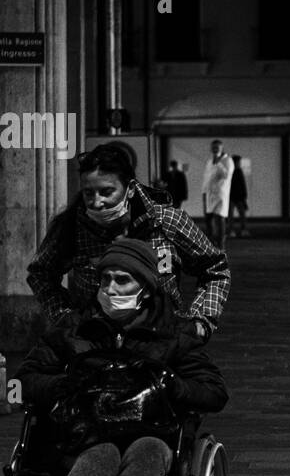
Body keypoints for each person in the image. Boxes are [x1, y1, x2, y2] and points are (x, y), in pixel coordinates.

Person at [11, 239, 228, 476]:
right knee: (103, 453)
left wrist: (174, 387)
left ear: (144, 287)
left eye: (122, 281)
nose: (111, 289)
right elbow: (23, 382)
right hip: (85, 437)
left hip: (150, 436)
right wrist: (66, 383)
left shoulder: (172, 336)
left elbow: (214, 392)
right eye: (105, 279)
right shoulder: (75, 329)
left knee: (146, 451)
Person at [27, 141, 230, 343]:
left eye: (107, 192)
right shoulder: (72, 227)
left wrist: (200, 320)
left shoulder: (166, 222)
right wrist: (65, 316)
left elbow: (215, 267)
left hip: (163, 341)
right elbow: (40, 273)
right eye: (89, 193)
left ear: (130, 189)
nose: (97, 202)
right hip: (95, 346)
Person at [202, 139, 235, 249]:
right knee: (208, 220)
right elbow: (206, 178)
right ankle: (212, 244)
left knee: (219, 219)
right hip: (208, 194)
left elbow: (227, 175)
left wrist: (219, 164)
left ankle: (221, 245)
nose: (215, 149)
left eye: (217, 147)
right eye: (213, 147)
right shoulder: (209, 161)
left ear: (222, 148)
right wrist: (203, 192)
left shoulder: (227, 160)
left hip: (221, 194)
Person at [229, 154, 249, 238]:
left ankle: (243, 230)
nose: (239, 163)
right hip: (231, 197)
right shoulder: (230, 171)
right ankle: (232, 231)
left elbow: (243, 184)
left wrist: (244, 196)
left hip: (239, 197)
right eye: (238, 162)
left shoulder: (239, 171)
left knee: (242, 214)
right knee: (231, 215)